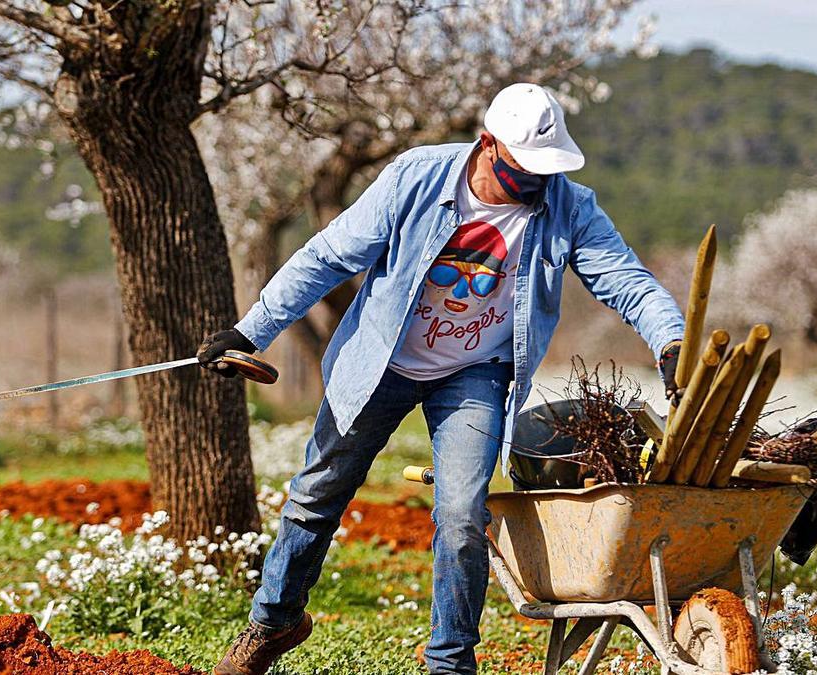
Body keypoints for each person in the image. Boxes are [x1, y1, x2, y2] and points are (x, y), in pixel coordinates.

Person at [199, 83, 686, 675]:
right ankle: (274, 623)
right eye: (523, 168)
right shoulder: (417, 178)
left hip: (475, 372)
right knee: (314, 497)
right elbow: (327, 256)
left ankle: (449, 664)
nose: (537, 181)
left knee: (461, 516)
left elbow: (625, 279)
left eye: (545, 169)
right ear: (488, 144)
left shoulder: (569, 207)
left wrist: (670, 340)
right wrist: (251, 330)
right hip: (381, 357)